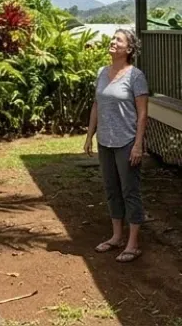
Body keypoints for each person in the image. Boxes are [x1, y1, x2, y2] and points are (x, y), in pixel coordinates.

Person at [84, 28, 149, 263]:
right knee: (111, 190)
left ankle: (133, 244)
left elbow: (142, 114)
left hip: (127, 142)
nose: (112, 42)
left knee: (129, 191)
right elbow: (96, 105)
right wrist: (90, 135)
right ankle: (117, 237)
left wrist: (138, 145)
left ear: (128, 49)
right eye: (113, 38)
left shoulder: (135, 76)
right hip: (105, 142)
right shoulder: (102, 72)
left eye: (118, 40)